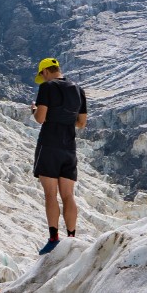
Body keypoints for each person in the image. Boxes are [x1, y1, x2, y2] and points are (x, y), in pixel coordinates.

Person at [31, 57, 88, 254]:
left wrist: (34, 110)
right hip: (69, 146)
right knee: (68, 195)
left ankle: (54, 238)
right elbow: (81, 123)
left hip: (49, 144)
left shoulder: (47, 87)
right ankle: (72, 237)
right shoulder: (78, 90)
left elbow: (40, 118)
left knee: (50, 194)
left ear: (45, 71)